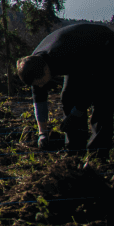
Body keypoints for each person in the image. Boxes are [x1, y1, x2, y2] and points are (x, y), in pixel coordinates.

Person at [18, 22, 114, 155]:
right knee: (68, 97)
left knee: (102, 100)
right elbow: (39, 99)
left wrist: (76, 113)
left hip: (103, 47)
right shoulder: (33, 65)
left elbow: (90, 87)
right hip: (79, 53)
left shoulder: (63, 55)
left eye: (41, 82)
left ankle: (98, 154)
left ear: (47, 70)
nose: (40, 86)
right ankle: (74, 150)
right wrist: (42, 133)